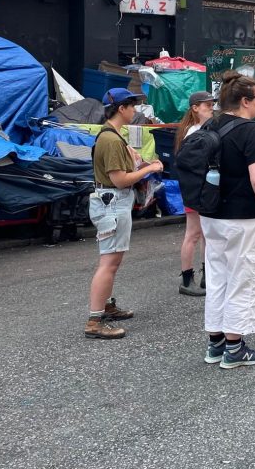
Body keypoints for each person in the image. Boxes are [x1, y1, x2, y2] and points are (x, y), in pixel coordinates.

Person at [199, 71, 255, 369]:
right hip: (243, 217)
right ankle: (235, 348)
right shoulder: (252, 132)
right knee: (243, 279)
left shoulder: (210, 124)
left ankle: (216, 343)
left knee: (218, 277)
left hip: (212, 215)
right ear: (246, 101)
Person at [85, 89, 164, 340]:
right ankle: (95, 321)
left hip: (110, 202)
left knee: (111, 261)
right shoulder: (111, 139)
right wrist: (149, 168)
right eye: (132, 106)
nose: (136, 111)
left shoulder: (111, 135)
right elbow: (119, 180)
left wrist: (138, 162)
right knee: (109, 263)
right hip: (113, 202)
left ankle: (106, 306)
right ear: (121, 108)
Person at [174, 90, 217, 296]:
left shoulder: (199, 129)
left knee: (205, 234)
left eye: (211, 104)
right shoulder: (194, 132)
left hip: (201, 188)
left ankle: (206, 277)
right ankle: (187, 278)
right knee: (193, 234)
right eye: (206, 104)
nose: (211, 107)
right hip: (196, 188)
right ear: (195, 108)